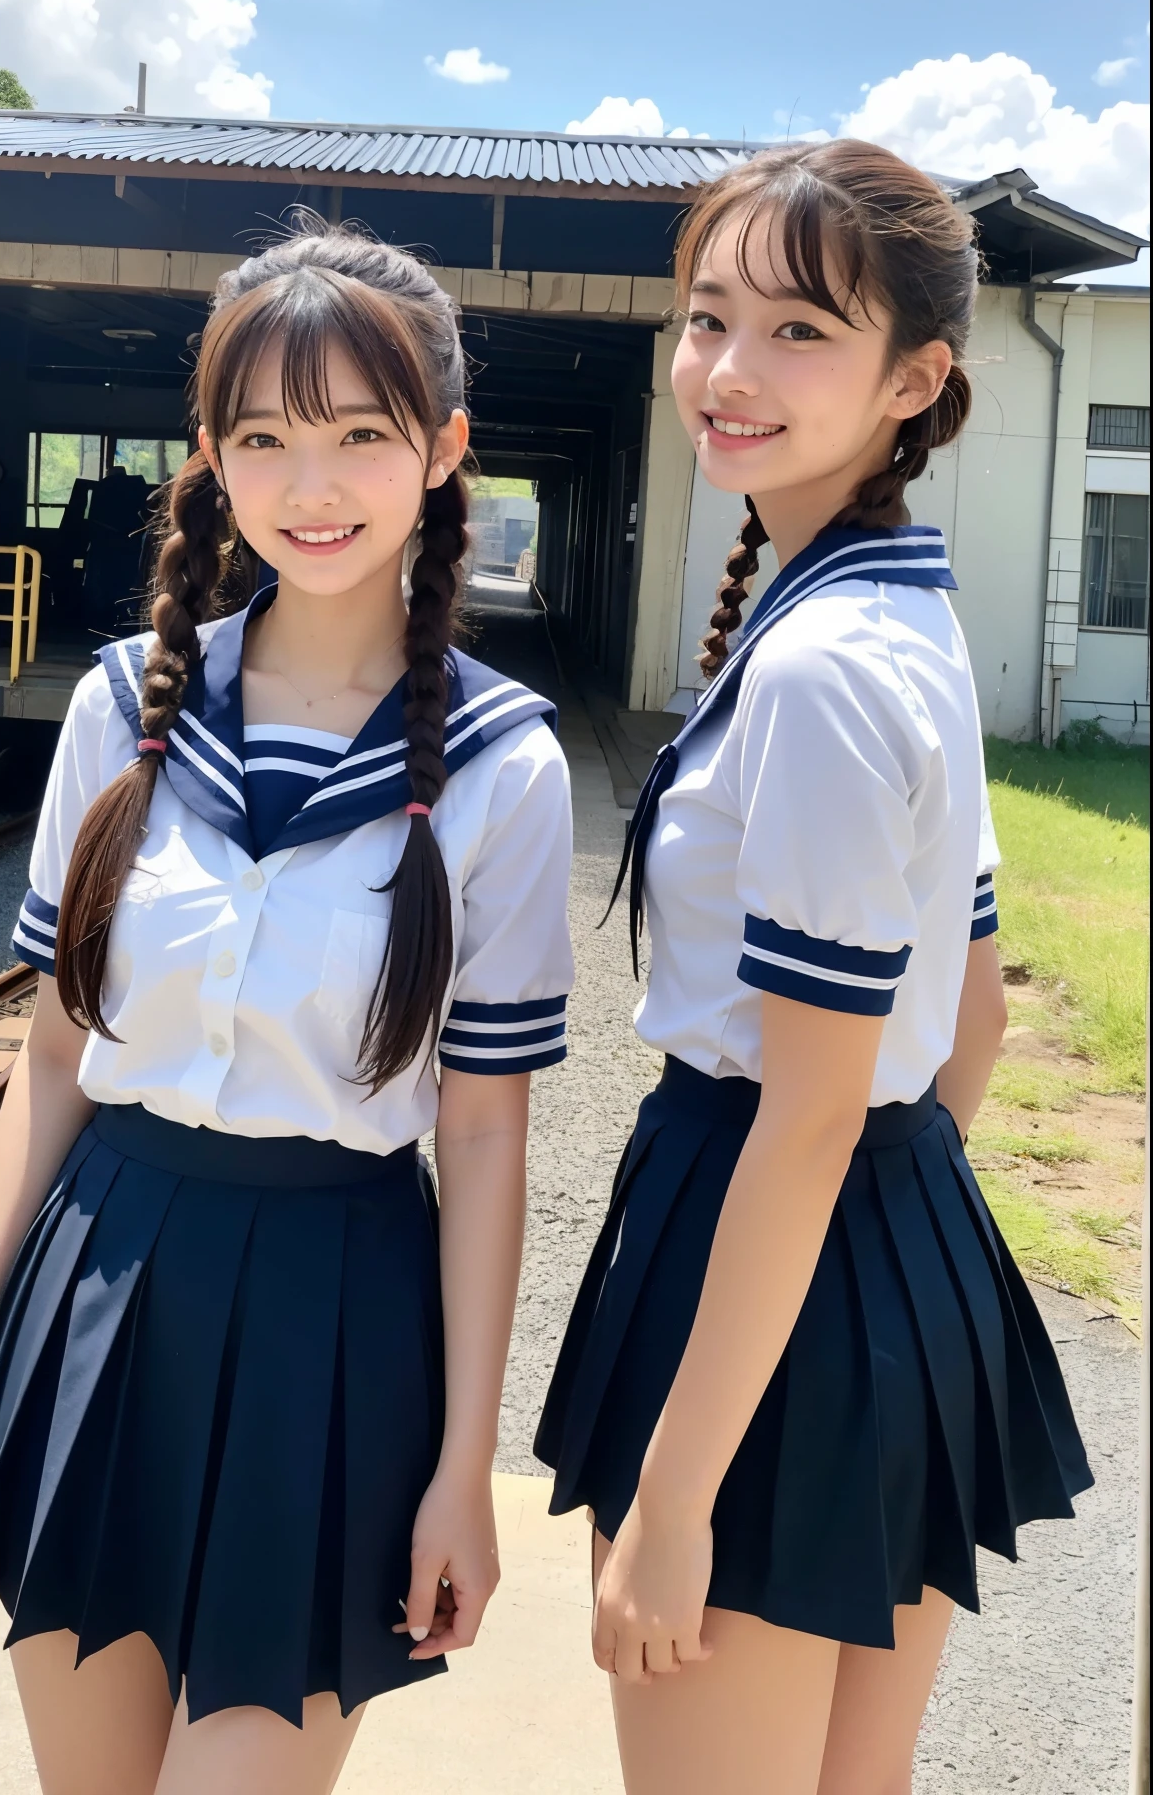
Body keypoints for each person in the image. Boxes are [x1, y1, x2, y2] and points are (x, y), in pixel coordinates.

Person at [0, 225, 574, 1795]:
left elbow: (480, 1133)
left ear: (444, 450)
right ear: (211, 456)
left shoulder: (501, 765)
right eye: (264, 436)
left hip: (336, 1317)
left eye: (359, 435)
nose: (309, 484)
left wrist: (465, 1468)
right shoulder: (125, 704)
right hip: (103, 1292)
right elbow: (54, 1062)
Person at [534, 142, 1091, 1795]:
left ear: (914, 379)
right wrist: (883, 1256)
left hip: (769, 1246)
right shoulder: (900, 610)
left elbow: (808, 1108)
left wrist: (681, 1488)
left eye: (799, 331)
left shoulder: (821, 668)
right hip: (897, 1248)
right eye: (711, 320)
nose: (731, 370)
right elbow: (972, 1009)